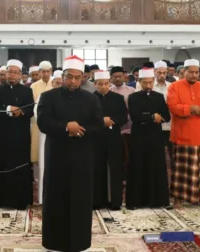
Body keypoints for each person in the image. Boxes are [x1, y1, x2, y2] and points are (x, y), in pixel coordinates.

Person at [37, 56, 102, 252]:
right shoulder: (49, 97)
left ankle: (80, 242)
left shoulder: (91, 98)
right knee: (56, 195)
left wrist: (79, 129)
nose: (73, 81)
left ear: (83, 77)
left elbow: (98, 125)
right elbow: (43, 122)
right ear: (63, 76)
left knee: (81, 196)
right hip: (57, 153)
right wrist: (66, 127)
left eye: (77, 77)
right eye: (69, 77)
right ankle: (54, 242)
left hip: (82, 155)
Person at [0, 59, 34, 210]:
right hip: (0, 135)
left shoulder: (27, 91)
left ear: (20, 75)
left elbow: (31, 110)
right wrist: (8, 108)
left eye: (15, 72)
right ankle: (0, 200)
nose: (12, 75)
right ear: (6, 73)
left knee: (18, 167)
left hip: (19, 136)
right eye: (10, 72)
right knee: (0, 166)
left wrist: (21, 111)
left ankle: (20, 200)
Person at [167, 59, 200, 207]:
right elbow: (173, 106)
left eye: (197, 72)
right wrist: (191, 109)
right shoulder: (174, 87)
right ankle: (178, 198)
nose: (194, 75)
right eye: (191, 72)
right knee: (182, 169)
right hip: (182, 134)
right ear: (184, 72)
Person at [126, 67, 170, 209]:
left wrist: (154, 117)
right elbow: (135, 116)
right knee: (138, 167)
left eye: (150, 82)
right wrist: (152, 116)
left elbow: (166, 116)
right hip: (139, 137)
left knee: (156, 167)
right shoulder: (133, 97)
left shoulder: (158, 97)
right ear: (139, 82)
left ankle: (158, 201)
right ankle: (136, 201)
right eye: (145, 83)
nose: (148, 85)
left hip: (155, 137)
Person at [92, 69, 127, 210]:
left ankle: (115, 201)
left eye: (106, 84)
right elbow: (86, 118)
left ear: (109, 83)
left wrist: (111, 120)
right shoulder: (90, 98)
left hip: (114, 138)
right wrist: (101, 121)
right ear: (95, 84)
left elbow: (124, 118)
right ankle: (97, 201)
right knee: (96, 169)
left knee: (115, 169)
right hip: (95, 139)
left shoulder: (118, 98)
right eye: (100, 84)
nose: (103, 87)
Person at [36, 69, 63, 205]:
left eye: (60, 82)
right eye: (56, 83)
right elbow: (39, 116)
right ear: (53, 83)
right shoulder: (45, 96)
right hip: (47, 136)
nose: (58, 85)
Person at [108, 66, 134, 179]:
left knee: (129, 155)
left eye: (120, 76)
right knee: (117, 155)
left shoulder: (131, 91)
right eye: (115, 77)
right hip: (114, 128)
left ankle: (127, 176)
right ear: (111, 78)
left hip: (129, 128)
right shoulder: (109, 91)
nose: (118, 79)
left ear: (124, 76)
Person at [30, 61, 53, 167]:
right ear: (39, 72)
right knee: (37, 151)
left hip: (53, 123)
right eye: (43, 71)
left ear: (51, 72)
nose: (46, 74)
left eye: (48, 71)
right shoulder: (33, 86)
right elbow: (33, 105)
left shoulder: (55, 84)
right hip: (37, 123)